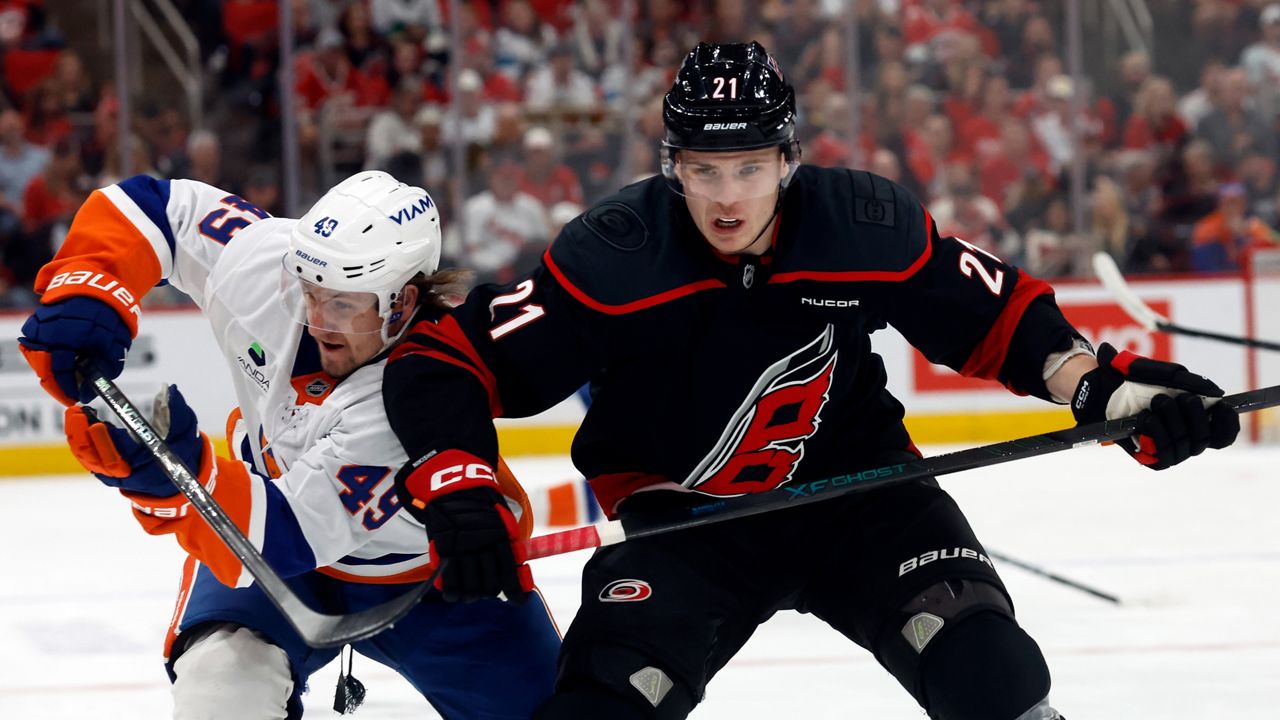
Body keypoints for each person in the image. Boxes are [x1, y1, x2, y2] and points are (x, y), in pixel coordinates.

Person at [380, 42, 1241, 720]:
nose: (727, 198)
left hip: (862, 498)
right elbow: (447, 360)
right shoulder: (613, 257)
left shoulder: (862, 226)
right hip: (683, 525)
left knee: (993, 675)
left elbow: (996, 317)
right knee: (603, 704)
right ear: (672, 165)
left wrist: (1107, 392)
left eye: (749, 167)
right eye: (704, 169)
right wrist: (459, 488)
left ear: (788, 159)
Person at [16, 171, 559, 718]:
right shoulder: (269, 269)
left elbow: (279, 536)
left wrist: (175, 478)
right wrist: (90, 283)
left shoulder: (420, 398)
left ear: (403, 302)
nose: (316, 321)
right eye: (310, 292)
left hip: (433, 580)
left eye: (342, 304)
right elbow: (156, 207)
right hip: (285, 566)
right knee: (220, 691)